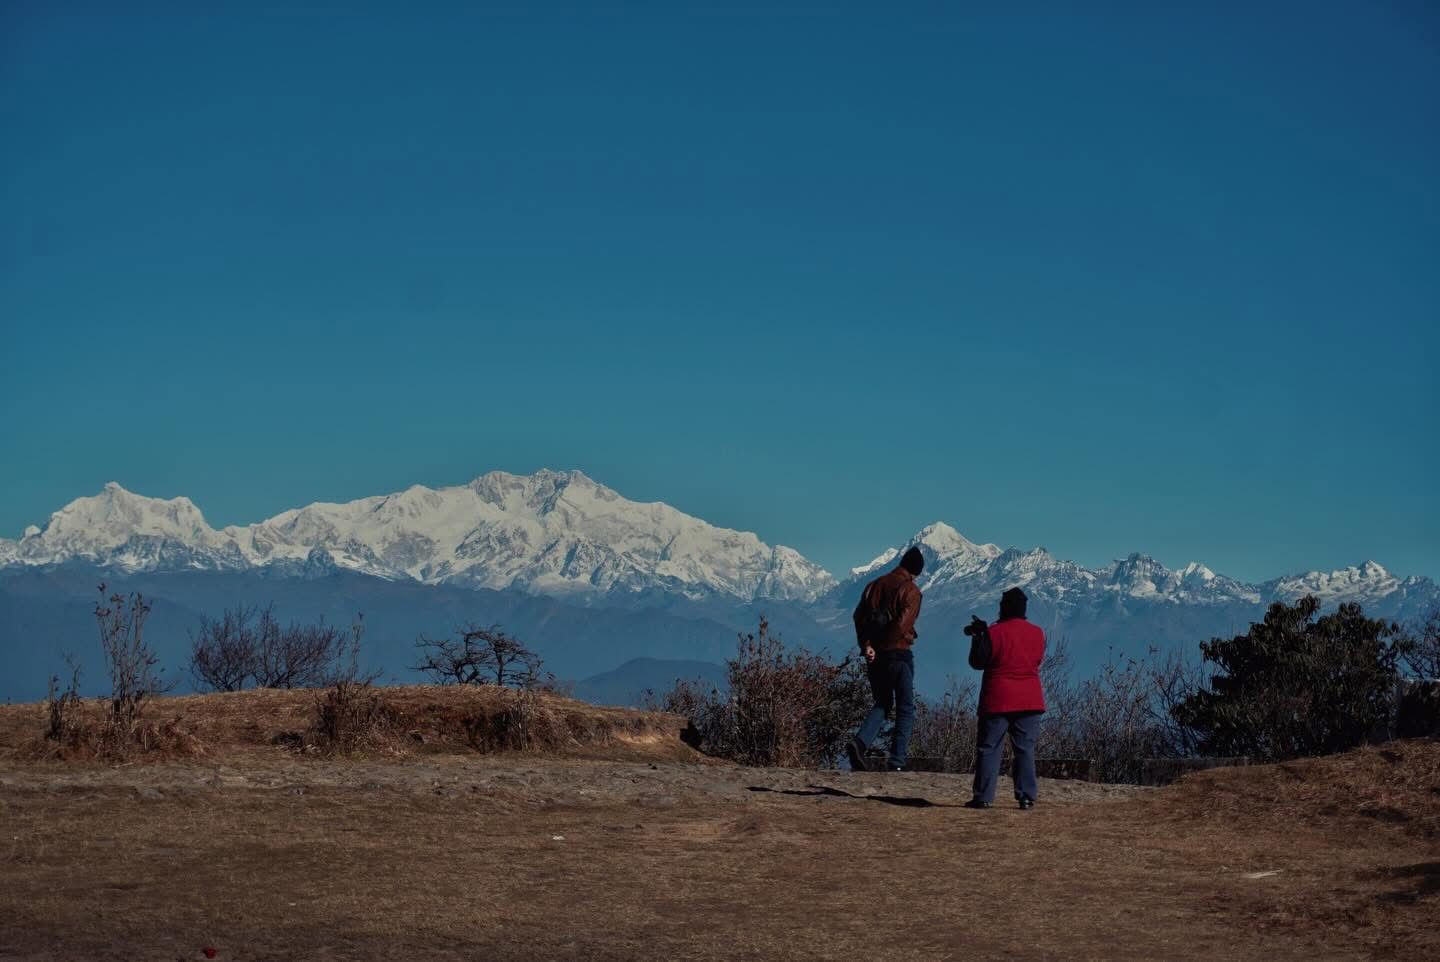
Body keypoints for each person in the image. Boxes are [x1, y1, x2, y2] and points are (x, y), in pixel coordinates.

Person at [966, 587, 1046, 809]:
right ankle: (1026, 796)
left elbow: (977, 662)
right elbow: (1037, 659)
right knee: (1024, 749)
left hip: (998, 698)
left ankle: (983, 797)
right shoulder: (1038, 633)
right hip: (1030, 699)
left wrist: (978, 637)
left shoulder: (993, 632)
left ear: (1003, 607)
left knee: (989, 748)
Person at [845, 546, 925, 772]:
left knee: (882, 702)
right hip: (898, 654)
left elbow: (858, 616)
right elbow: (902, 625)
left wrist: (868, 645)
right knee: (905, 707)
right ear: (916, 570)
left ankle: (860, 743)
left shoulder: (874, 585)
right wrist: (887, 647)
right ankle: (897, 761)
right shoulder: (911, 590)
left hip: (874, 656)